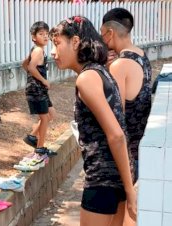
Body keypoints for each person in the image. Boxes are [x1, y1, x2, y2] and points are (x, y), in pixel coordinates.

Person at [49, 16, 136, 226]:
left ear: (76, 42)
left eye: (57, 43)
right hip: (115, 178)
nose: (53, 52)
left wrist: (129, 190)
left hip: (102, 181)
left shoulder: (87, 78)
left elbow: (116, 134)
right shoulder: (101, 72)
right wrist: (127, 184)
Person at [101, 8, 152, 183]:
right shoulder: (141, 55)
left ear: (110, 32)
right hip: (141, 146)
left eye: (102, 34)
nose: (102, 39)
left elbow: (116, 115)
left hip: (127, 154)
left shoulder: (119, 65)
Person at [22, 21, 57, 157]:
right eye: (41, 34)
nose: (45, 36)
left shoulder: (37, 50)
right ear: (34, 37)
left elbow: (25, 64)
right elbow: (30, 67)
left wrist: (34, 78)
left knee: (51, 115)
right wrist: (43, 80)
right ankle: (40, 148)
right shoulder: (37, 50)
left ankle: (32, 136)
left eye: (47, 34)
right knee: (44, 118)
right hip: (36, 90)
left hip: (40, 90)